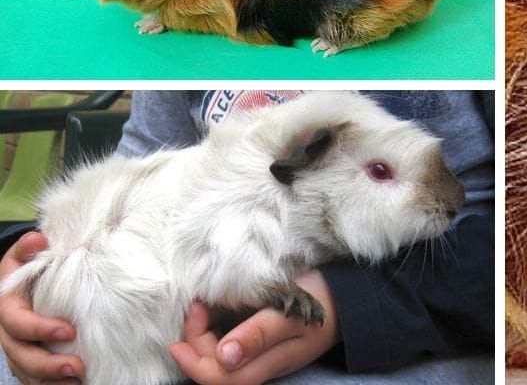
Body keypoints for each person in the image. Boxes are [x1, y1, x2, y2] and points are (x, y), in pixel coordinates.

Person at [0, 90, 494, 384]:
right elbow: (140, 164)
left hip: (429, 317)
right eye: (382, 172)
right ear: (296, 168)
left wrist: (351, 303)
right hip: (138, 336)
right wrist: (28, 258)